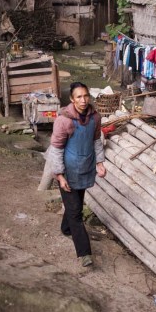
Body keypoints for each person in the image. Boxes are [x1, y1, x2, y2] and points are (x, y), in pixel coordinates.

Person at [48, 82, 106, 267]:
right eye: (79, 97)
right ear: (72, 99)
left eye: (86, 96)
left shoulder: (94, 117)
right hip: (68, 171)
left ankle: (66, 229)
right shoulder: (64, 120)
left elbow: (96, 140)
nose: (83, 100)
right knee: (76, 212)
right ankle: (84, 253)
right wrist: (59, 175)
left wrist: (100, 162)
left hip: (86, 168)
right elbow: (56, 149)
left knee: (76, 205)